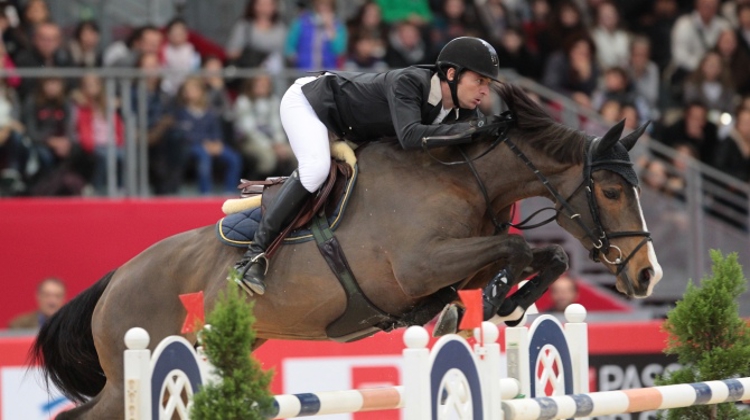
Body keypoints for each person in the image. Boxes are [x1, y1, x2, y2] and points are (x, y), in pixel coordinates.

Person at [233, 36, 504, 296]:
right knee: (316, 169)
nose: (484, 90)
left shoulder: (463, 110)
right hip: (310, 103)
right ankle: (253, 257)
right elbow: (410, 136)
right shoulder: (410, 82)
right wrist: (477, 128)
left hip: (347, 125)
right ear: (452, 74)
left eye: (488, 83)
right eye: (479, 80)